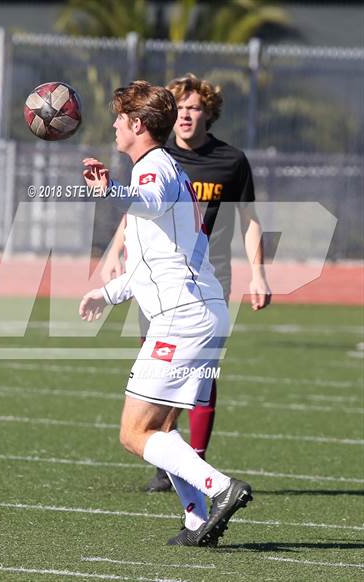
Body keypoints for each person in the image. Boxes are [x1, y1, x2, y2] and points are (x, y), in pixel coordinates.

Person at [79, 80, 252, 547]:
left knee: (134, 433)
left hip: (184, 317)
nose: (114, 125)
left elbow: (149, 202)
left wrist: (111, 189)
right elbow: (154, 261)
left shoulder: (152, 167)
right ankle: (197, 519)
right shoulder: (166, 165)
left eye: (119, 118)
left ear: (137, 125)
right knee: (160, 427)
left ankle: (219, 489)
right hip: (201, 310)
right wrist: (107, 293)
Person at [102, 74, 271, 492]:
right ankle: (187, 494)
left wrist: (259, 272)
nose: (186, 114)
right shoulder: (164, 160)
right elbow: (142, 214)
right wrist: (112, 264)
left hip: (195, 287)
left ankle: (206, 475)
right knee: (162, 395)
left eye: (194, 107)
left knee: (173, 399)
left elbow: (153, 202)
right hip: (172, 286)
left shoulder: (216, 162)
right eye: (181, 106)